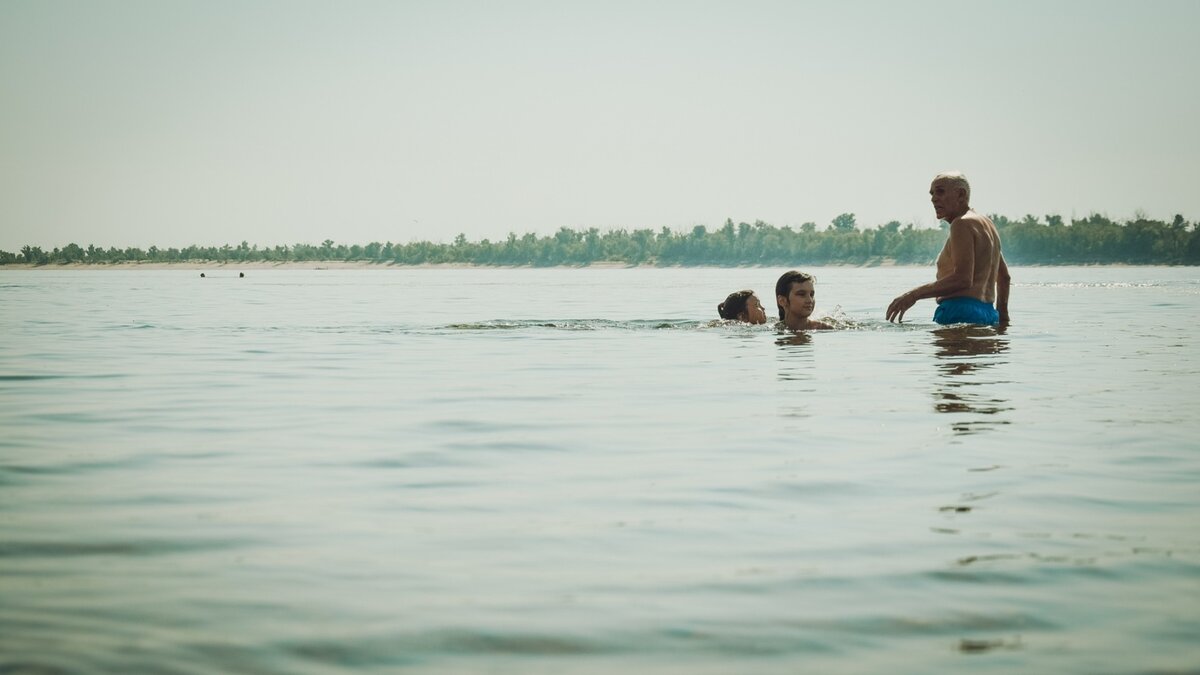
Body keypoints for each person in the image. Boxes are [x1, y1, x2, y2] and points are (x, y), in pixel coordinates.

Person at [887, 172, 1011, 325]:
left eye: (940, 191)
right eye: (932, 194)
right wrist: (1002, 319)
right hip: (988, 314)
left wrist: (913, 295)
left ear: (960, 194)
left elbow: (963, 279)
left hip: (959, 312)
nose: (933, 199)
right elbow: (1004, 278)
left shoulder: (961, 223)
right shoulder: (988, 225)